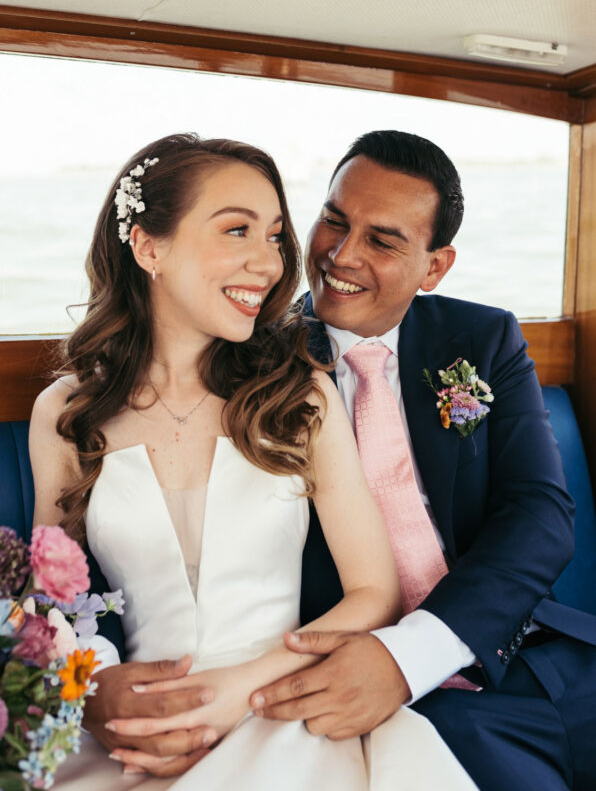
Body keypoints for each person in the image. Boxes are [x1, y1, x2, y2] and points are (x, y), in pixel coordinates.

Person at [28, 133, 477, 790]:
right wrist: (94, 688)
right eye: (237, 230)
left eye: (273, 236)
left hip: (281, 707)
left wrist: (242, 689)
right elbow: (48, 596)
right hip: (135, 733)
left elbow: (373, 593)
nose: (268, 264)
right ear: (150, 247)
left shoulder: (300, 393)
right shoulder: (68, 411)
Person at [250, 130, 596, 791]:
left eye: (382, 240)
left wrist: (415, 651)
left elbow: (540, 513)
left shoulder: (484, 336)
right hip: (405, 705)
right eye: (334, 220)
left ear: (435, 267)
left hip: (541, 653)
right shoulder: (255, 365)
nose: (341, 254)